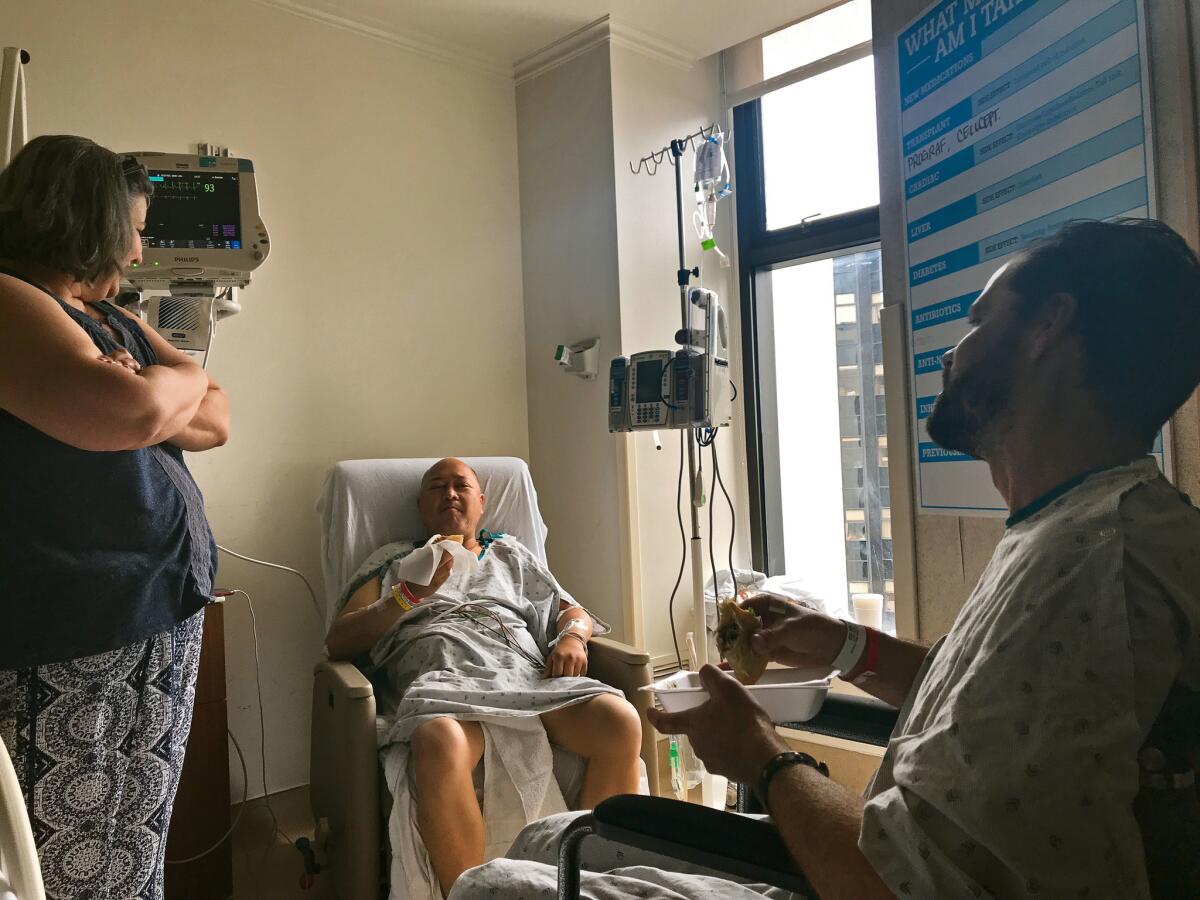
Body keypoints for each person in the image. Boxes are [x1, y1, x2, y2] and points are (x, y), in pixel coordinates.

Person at [450, 218, 1200, 900]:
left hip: (868, 877)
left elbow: (901, 883)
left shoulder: (1092, 570)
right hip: (877, 855)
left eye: (977, 323)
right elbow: (986, 705)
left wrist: (764, 759)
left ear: (1048, 325)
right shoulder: (1077, 527)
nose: (952, 349)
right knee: (548, 836)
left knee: (492, 889)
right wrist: (845, 645)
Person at [0, 136, 228, 900]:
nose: (136, 250)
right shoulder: (7, 300)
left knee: (140, 834)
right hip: (72, 631)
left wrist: (170, 386)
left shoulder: (103, 317)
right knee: (70, 858)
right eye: (129, 227)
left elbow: (216, 419)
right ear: (82, 221)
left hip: (157, 612)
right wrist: (175, 381)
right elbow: (133, 413)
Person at [325, 457, 643, 897]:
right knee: (437, 741)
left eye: (461, 486)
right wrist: (404, 598)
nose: (450, 494)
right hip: (444, 682)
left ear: (481, 501)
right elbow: (339, 641)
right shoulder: (393, 562)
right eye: (437, 487)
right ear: (421, 505)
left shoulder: (511, 554)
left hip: (526, 678)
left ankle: (591, 882)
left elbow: (572, 611)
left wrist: (572, 638)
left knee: (619, 722)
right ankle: (472, 892)